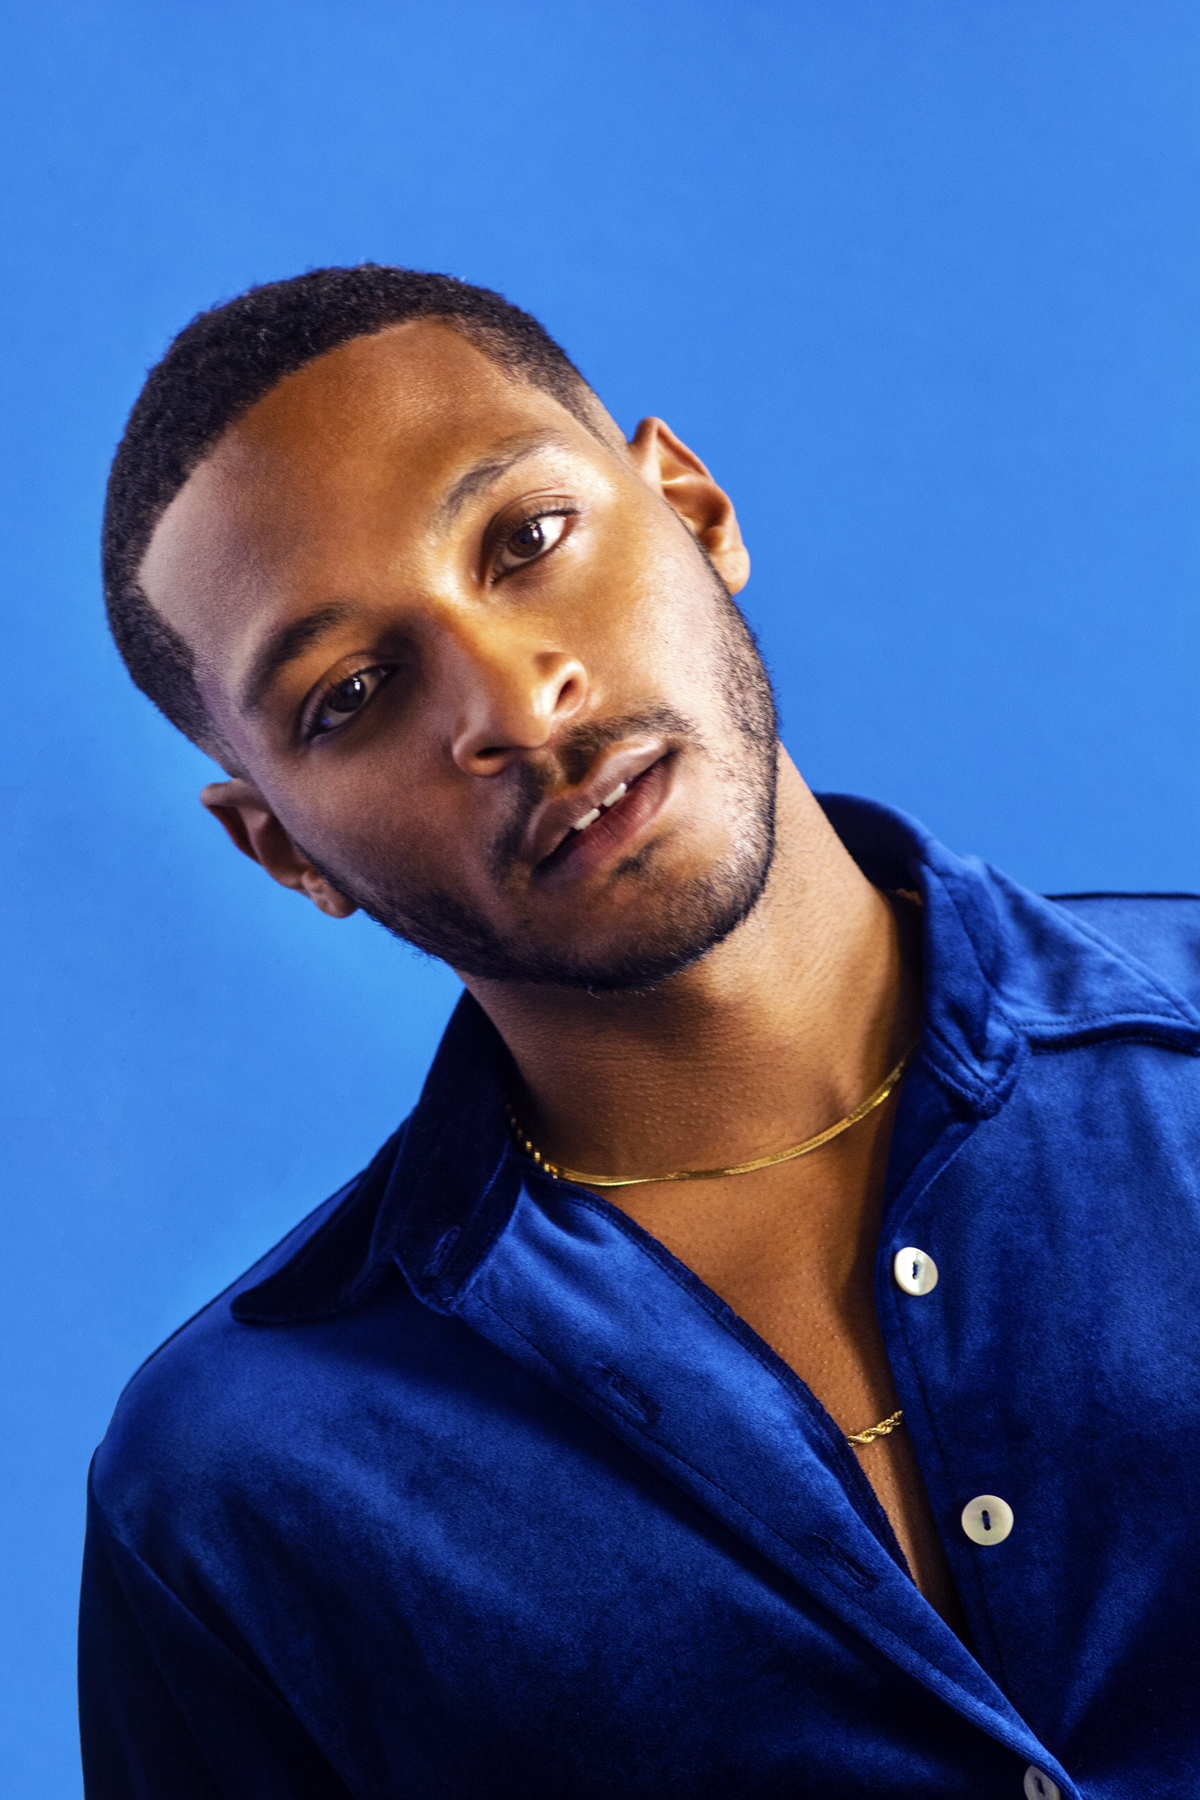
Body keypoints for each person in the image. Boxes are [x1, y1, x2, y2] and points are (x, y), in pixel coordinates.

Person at [79, 264, 1200, 1800]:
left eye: (527, 542)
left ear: (691, 503)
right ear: (281, 849)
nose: (516, 709)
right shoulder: (235, 1488)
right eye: (352, 692)